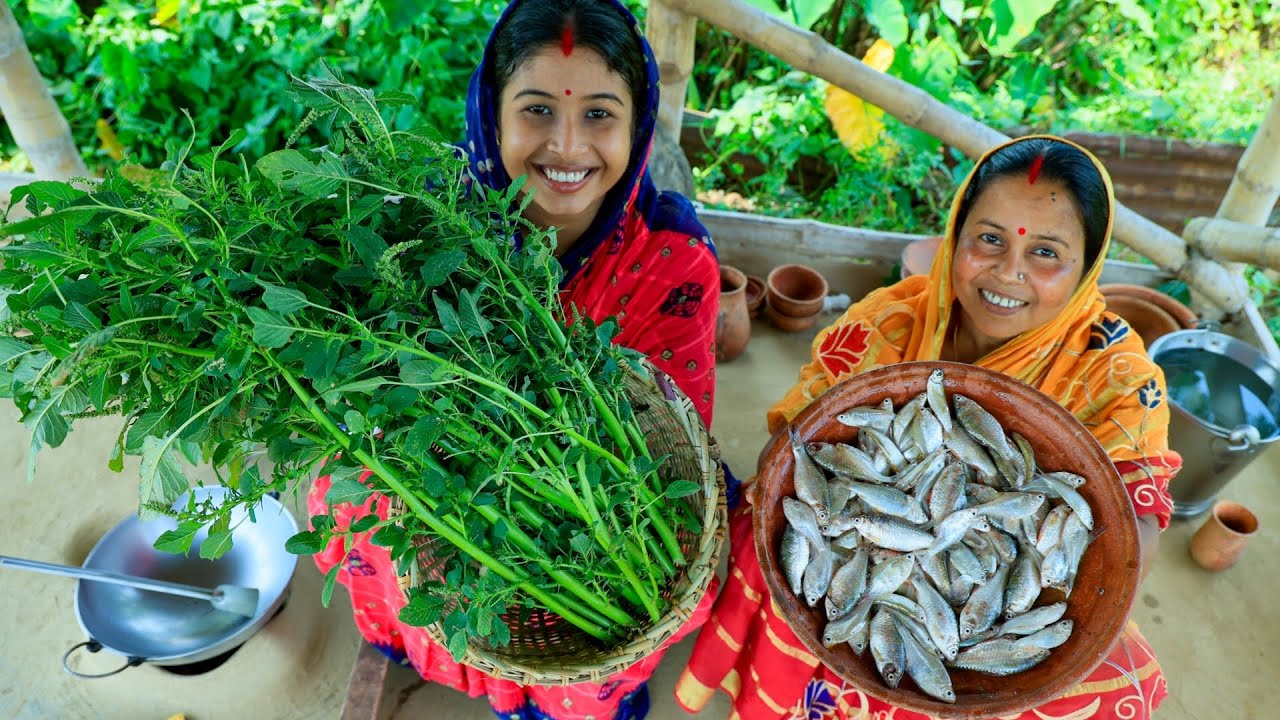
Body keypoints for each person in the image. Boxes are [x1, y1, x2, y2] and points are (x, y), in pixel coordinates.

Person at [308, 1, 721, 718]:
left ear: (637, 125)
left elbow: (667, 441)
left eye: (599, 115)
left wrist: (547, 472)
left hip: (603, 494)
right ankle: (427, 646)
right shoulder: (427, 230)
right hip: (455, 472)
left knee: (673, 569)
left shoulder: (671, 259)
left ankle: (573, 694)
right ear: (491, 115)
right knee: (351, 495)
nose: (567, 146)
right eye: (537, 110)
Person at [676, 135, 1181, 720]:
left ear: (1088, 265)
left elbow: (1138, 526)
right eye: (989, 239)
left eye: (1046, 252)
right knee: (760, 534)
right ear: (956, 235)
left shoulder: (1115, 373)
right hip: (879, 546)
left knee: (1112, 686)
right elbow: (794, 437)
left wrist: (1050, 560)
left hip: (1014, 577)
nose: (1009, 272)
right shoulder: (888, 319)